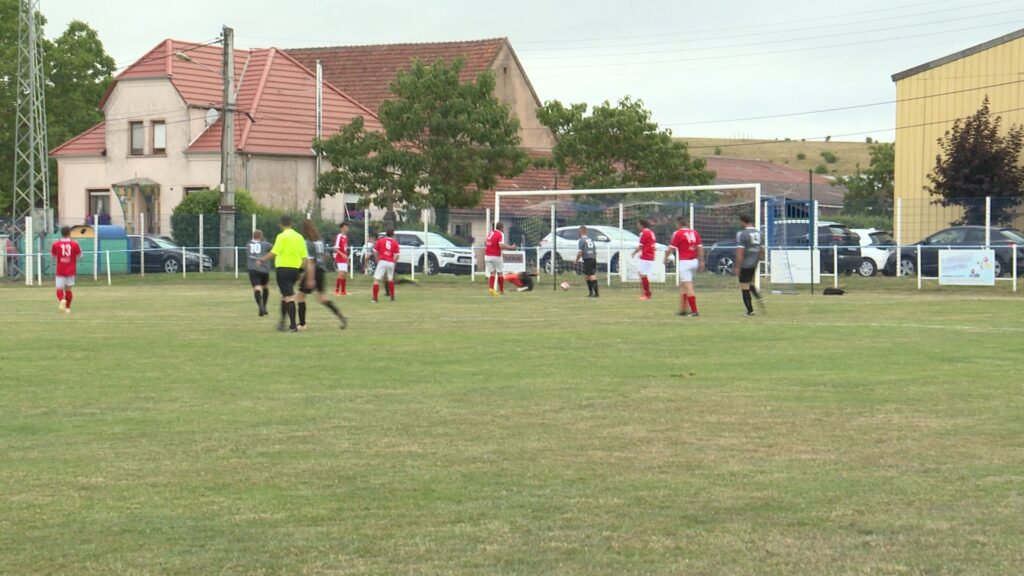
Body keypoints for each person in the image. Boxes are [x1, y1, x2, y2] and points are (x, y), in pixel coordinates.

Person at [257, 215, 311, 332]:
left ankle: (293, 326)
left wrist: (262, 259)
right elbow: (305, 258)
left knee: (288, 297)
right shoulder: (299, 237)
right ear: (291, 223)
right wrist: (301, 271)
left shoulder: (281, 236)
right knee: (285, 295)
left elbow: (274, 252)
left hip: (283, 269)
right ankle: (282, 323)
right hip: (295, 270)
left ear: (281, 224)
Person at [296, 219, 348, 330]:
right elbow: (326, 256)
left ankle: (302, 324)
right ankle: (341, 317)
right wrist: (320, 261)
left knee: (300, 297)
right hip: (321, 271)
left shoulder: (308, 243)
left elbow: (310, 262)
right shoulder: (320, 240)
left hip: (313, 271)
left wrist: (310, 279)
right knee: (322, 298)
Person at [666, 216, 704, 317]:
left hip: (685, 262)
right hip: (694, 261)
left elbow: (670, 248)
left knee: (688, 286)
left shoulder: (678, 233)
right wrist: (702, 261)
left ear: (678, 224)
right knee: (683, 286)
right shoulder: (694, 232)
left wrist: (665, 258)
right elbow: (700, 247)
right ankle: (683, 310)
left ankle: (694, 310)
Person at [735, 214, 765, 316]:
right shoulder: (759, 233)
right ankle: (758, 297)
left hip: (745, 264)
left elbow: (740, 252)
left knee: (744, 287)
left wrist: (737, 267)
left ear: (743, 222)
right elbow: (761, 249)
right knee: (749, 283)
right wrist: (758, 260)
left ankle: (750, 311)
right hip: (754, 263)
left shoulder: (743, 234)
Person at [50, 226, 82, 314]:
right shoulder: (75, 244)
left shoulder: (56, 244)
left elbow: (52, 256)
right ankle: (67, 308)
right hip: (71, 270)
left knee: (59, 289)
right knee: (68, 289)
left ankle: (62, 300)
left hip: (60, 269)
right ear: (69, 233)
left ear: (61, 233)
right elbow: (80, 256)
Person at [246, 229, 273, 317]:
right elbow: (274, 249)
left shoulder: (248, 245)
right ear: (261, 236)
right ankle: (264, 306)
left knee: (257, 288)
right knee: (265, 287)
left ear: (253, 236)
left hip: (253, 269)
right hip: (264, 270)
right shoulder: (265, 244)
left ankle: (260, 306)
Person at [485, 222, 516, 296]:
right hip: (496, 256)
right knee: (500, 273)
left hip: (487, 255)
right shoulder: (500, 234)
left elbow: (489, 243)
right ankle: (501, 291)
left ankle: (491, 289)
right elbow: (501, 245)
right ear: (501, 227)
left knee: (492, 273)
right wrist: (511, 248)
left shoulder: (491, 233)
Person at [631, 219, 656, 300]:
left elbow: (640, 246)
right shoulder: (651, 232)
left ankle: (647, 294)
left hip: (647, 256)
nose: (637, 226)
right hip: (648, 256)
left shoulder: (644, 233)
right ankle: (646, 292)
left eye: (638, 224)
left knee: (643, 274)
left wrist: (634, 252)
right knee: (641, 273)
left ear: (642, 225)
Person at [372, 229, 399, 303]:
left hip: (382, 261)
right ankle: (392, 298)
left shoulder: (381, 241)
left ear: (386, 234)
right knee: (390, 279)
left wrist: (377, 259)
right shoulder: (395, 242)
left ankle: (375, 298)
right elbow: (397, 255)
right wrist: (394, 262)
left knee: (376, 280)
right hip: (391, 262)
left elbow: (374, 250)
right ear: (393, 235)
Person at [575, 225, 599, 297]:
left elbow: (580, 253)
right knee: (587, 276)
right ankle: (591, 293)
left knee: (591, 276)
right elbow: (595, 252)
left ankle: (596, 293)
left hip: (588, 259)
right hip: (593, 258)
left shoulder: (581, 240)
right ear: (586, 231)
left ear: (580, 232)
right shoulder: (590, 239)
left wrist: (576, 260)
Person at [333, 222, 350, 296]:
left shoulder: (345, 237)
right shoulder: (339, 236)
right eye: (346, 227)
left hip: (344, 258)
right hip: (339, 257)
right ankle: (337, 291)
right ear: (342, 228)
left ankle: (343, 291)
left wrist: (347, 257)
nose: (347, 229)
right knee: (341, 274)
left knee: (345, 274)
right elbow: (335, 248)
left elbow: (345, 248)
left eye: (347, 227)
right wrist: (342, 254)